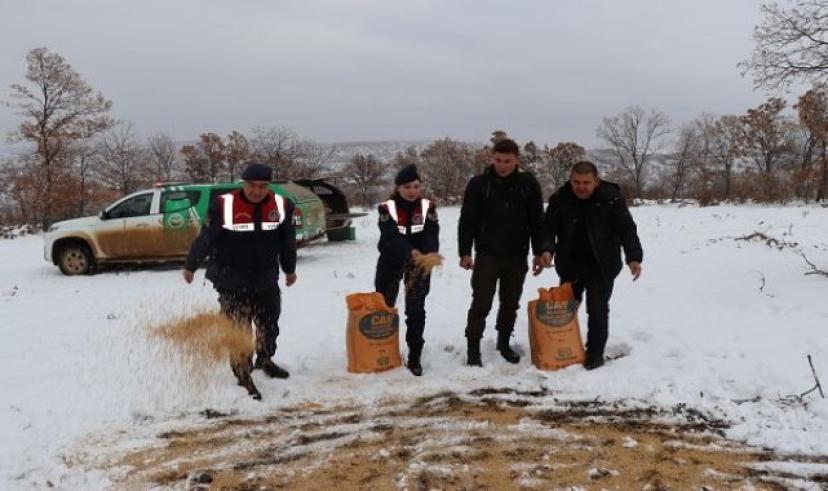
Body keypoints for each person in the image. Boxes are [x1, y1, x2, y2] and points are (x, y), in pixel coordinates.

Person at [183, 162, 297, 399]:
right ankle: (243, 373)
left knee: (269, 324)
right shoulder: (224, 205)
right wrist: (191, 265)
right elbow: (206, 237)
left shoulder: (282, 205)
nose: (256, 191)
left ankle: (265, 360)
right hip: (230, 277)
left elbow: (288, 241)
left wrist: (289, 269)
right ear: (243, 183)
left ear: (269, 186)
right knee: (239, 329)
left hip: (265, 276)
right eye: (251, 185)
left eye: (262, 186)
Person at [458, 138, 551, 367]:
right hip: (487, 253)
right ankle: (473, 348)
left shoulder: (528, 183)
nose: (502, 165)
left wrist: (540, 251)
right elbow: (467, 220)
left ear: (516, 159)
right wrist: (465, 251)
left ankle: (503, 342)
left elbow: (537, 221)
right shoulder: (479, 184)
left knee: (510, 303)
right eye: (498, 160)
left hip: (516, 254)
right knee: (481, 303)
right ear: (492, 158)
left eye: (508, 161)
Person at [542, 160, 642, 370]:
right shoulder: (560, 198)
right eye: (576, 182)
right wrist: (547, 250)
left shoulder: (611, 198)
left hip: (602, 265)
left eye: (586, 182)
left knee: (597, 310)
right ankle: (563, 350)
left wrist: (634, 257)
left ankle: (595, 355)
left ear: (596, 181)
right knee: (565, 311)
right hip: (570, 264)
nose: (580, 187)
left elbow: (626, 228)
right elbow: (549, 228)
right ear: (570, 180)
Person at [375, 164, 440, 376]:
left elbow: (431, 233)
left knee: (415, 309)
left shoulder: (428, 207)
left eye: (416, 186)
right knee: (384, 307)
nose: (412, 191)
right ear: (398, 188)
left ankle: (415, 355)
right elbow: (390, 237)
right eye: (406, 187)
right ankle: (381, 350)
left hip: (419, 263)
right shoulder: (387, 208)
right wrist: (411, 251)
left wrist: (430, 253)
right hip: (391, 260)